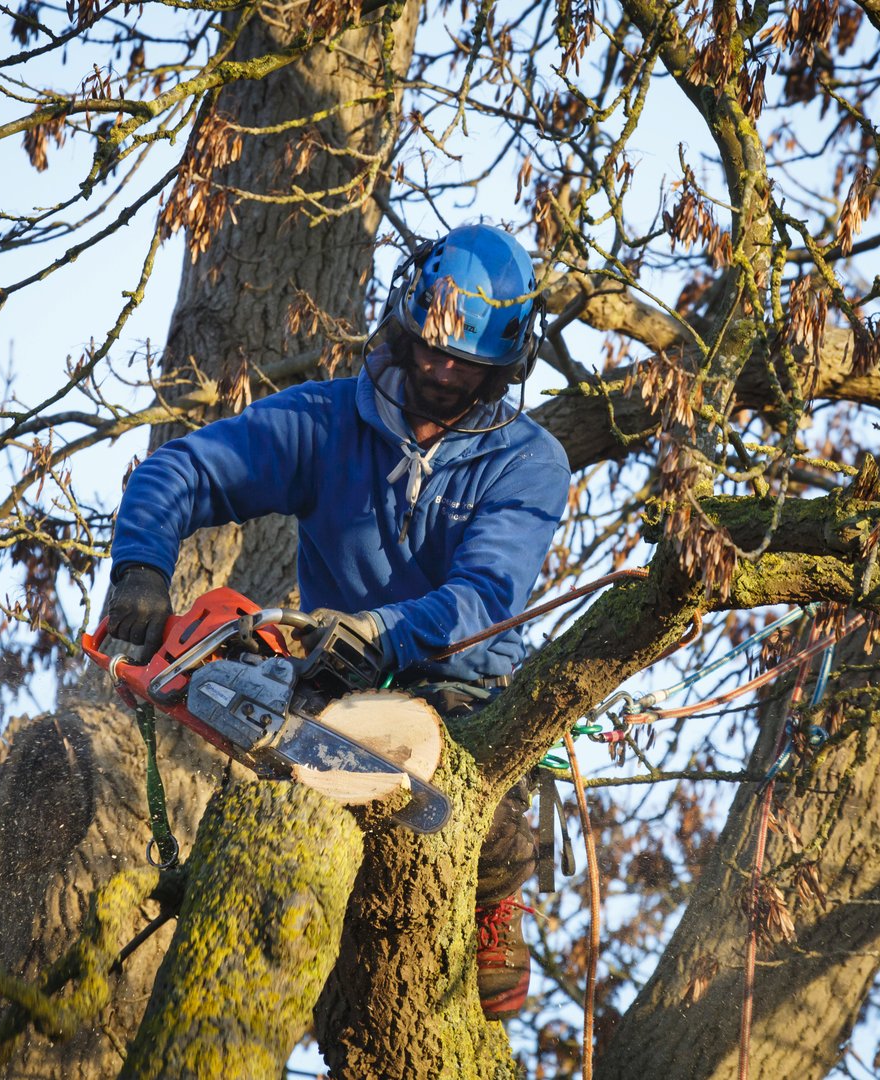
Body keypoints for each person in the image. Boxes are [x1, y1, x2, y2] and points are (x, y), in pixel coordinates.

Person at [104, 222, 570, 1021]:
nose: (437, 367)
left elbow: (486, 596)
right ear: (403, 316)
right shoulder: (324, 424)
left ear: (505, 366)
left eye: (463, 361)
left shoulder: (528, 462)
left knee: (483, 823)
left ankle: (494, 897)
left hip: (466, 692)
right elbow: (181, 469)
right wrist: (141, 567)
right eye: (428, 345)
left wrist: (383, 631)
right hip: (333, 684)